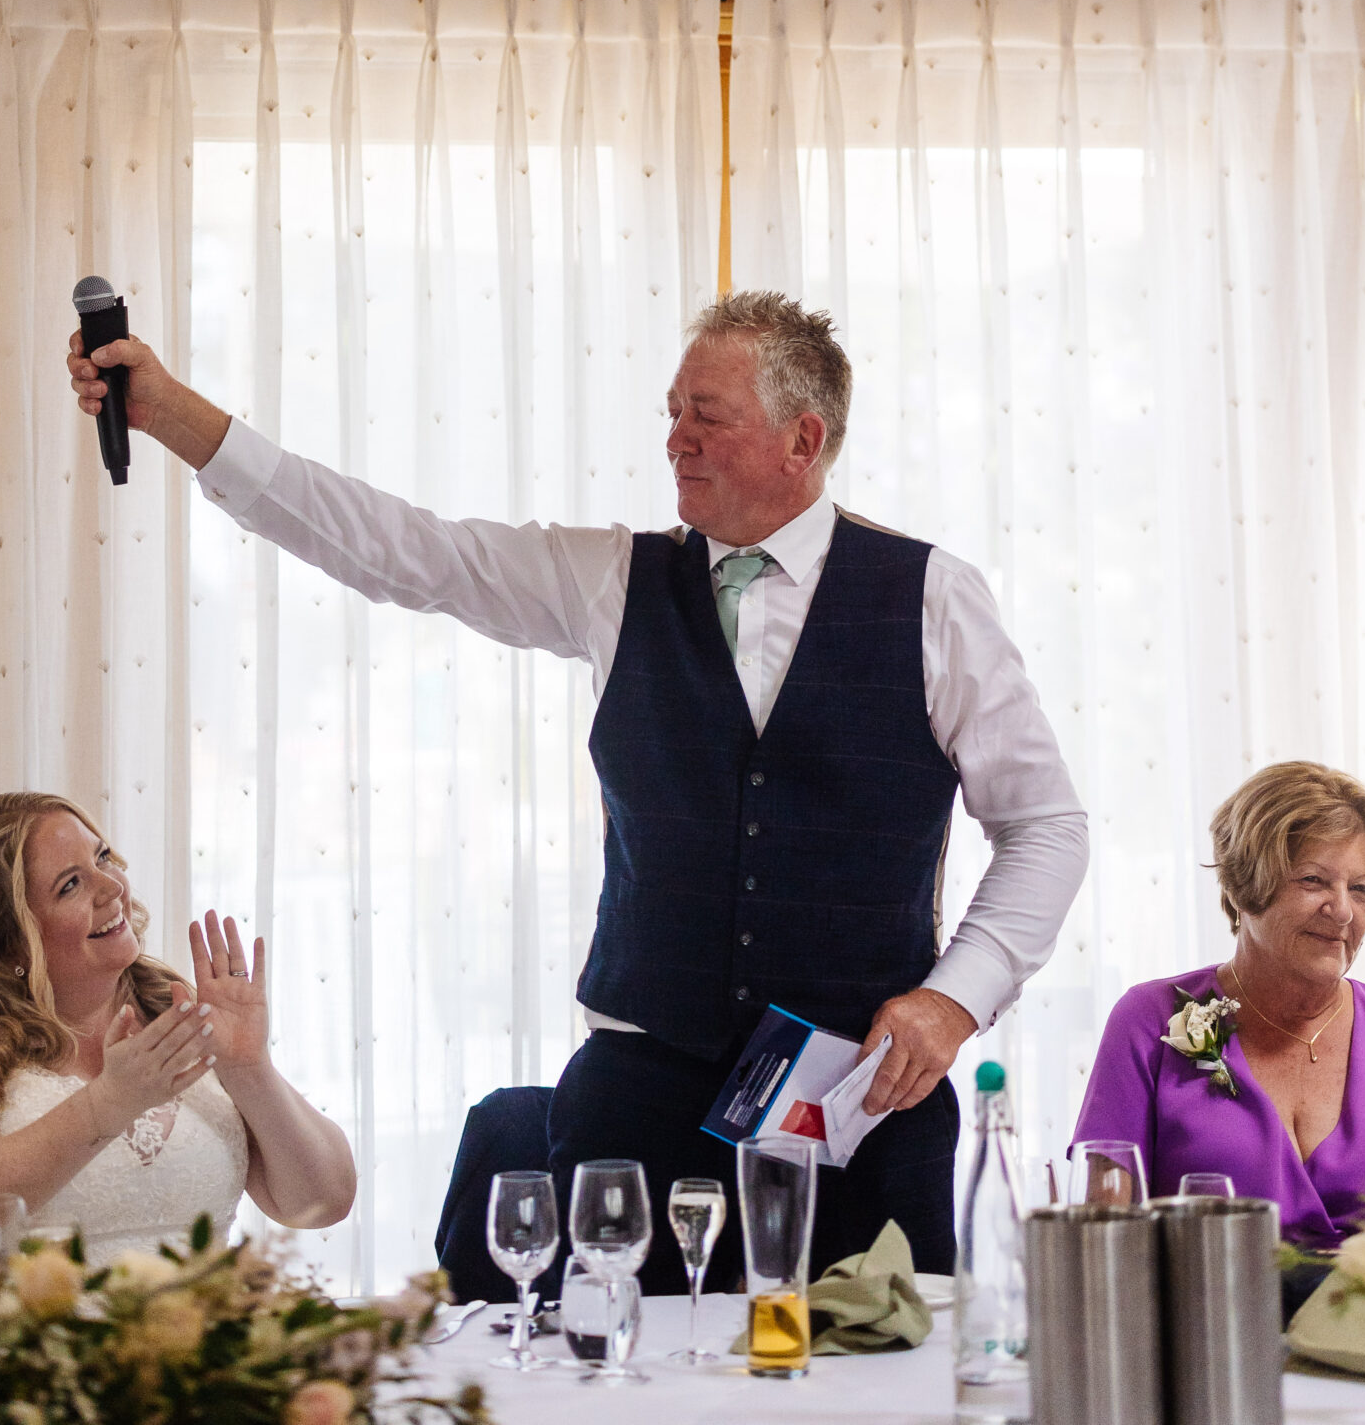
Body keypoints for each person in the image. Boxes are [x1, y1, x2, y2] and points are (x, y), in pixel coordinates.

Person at [69, 289, 1088, 1286]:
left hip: (864, 1105)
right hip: (637, 1107)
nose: (675, 438)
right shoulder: (610, 578)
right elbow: (399, 548)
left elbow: (1046, 825)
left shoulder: (932, 597)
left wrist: (953, 1003)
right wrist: (172, 416)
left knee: (882, 1392)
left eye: (706, 415)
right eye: (671, 412)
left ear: (802, 439)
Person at [0, 791, 355, 1266]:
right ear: (9, 936)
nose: (112, 889)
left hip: (202, 1362)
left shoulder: (176, 1010)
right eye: (71, 885)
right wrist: (106, 1105)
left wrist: (250, 1069)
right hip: (38, 1374)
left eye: (103, 858)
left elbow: (323, 1201)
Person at [1074, 760, 1365, 1253]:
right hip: (1208, 1318)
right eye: (1314, 880)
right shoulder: (1149, 1020)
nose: (1342, 911)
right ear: (1245, 885)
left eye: (1361, 890)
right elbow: (1104, 1229)